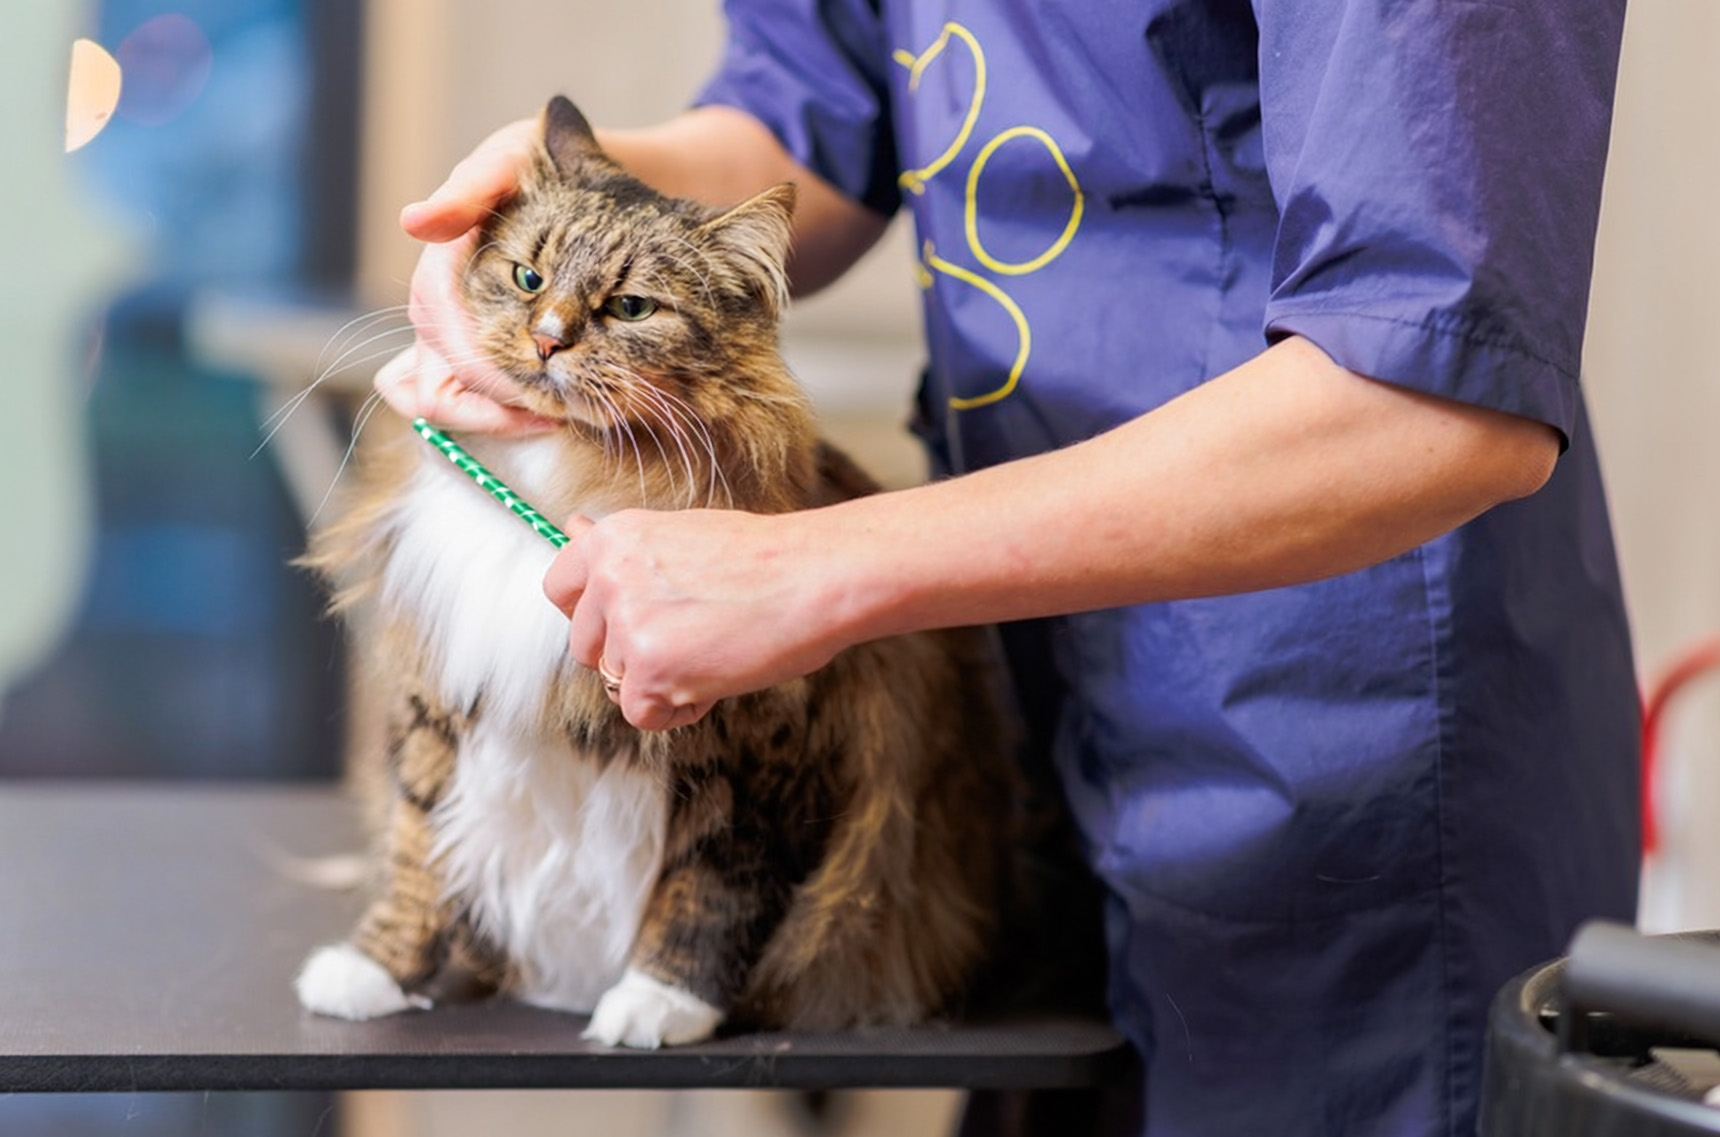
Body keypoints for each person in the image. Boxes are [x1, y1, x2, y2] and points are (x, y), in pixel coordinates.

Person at [375, 3, 1640, 1134]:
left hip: (1336, 738)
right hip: (1038, 698)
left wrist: (821, 567)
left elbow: (1427, 394)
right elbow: (803, 121)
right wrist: (578, 207)